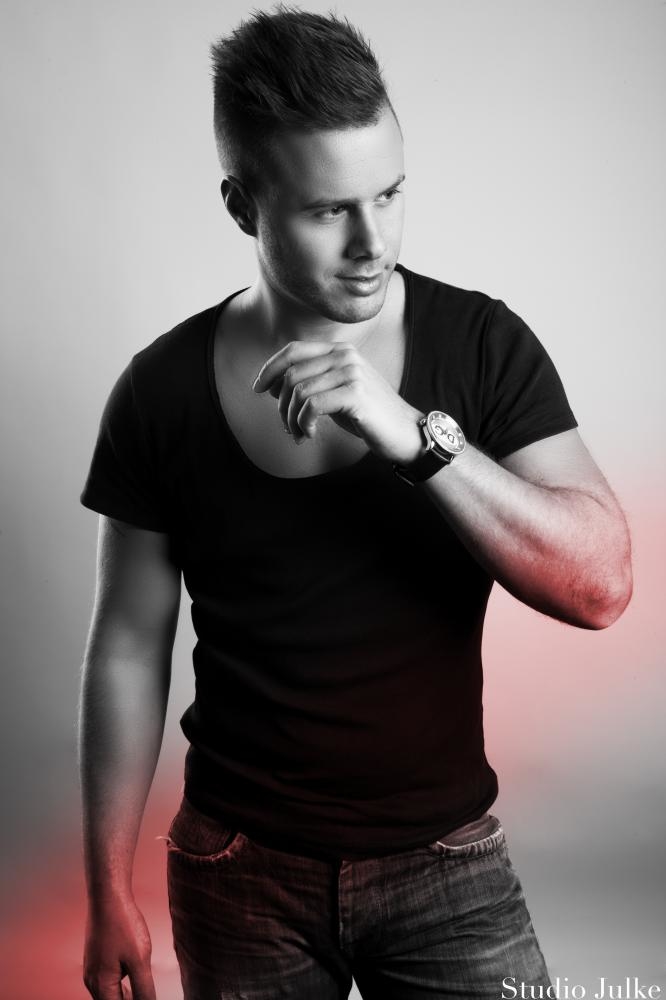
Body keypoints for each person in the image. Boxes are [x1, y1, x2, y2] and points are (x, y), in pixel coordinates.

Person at [78, 8, 632, 1000]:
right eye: (329, 210)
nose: (373, 241)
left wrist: (413, 435)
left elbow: (601, 586)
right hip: (235, 869)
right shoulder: (159, 391)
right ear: (243, 206)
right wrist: (106, 888)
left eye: (390, 193)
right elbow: (126, 646)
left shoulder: (482, 344)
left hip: (446, 863)